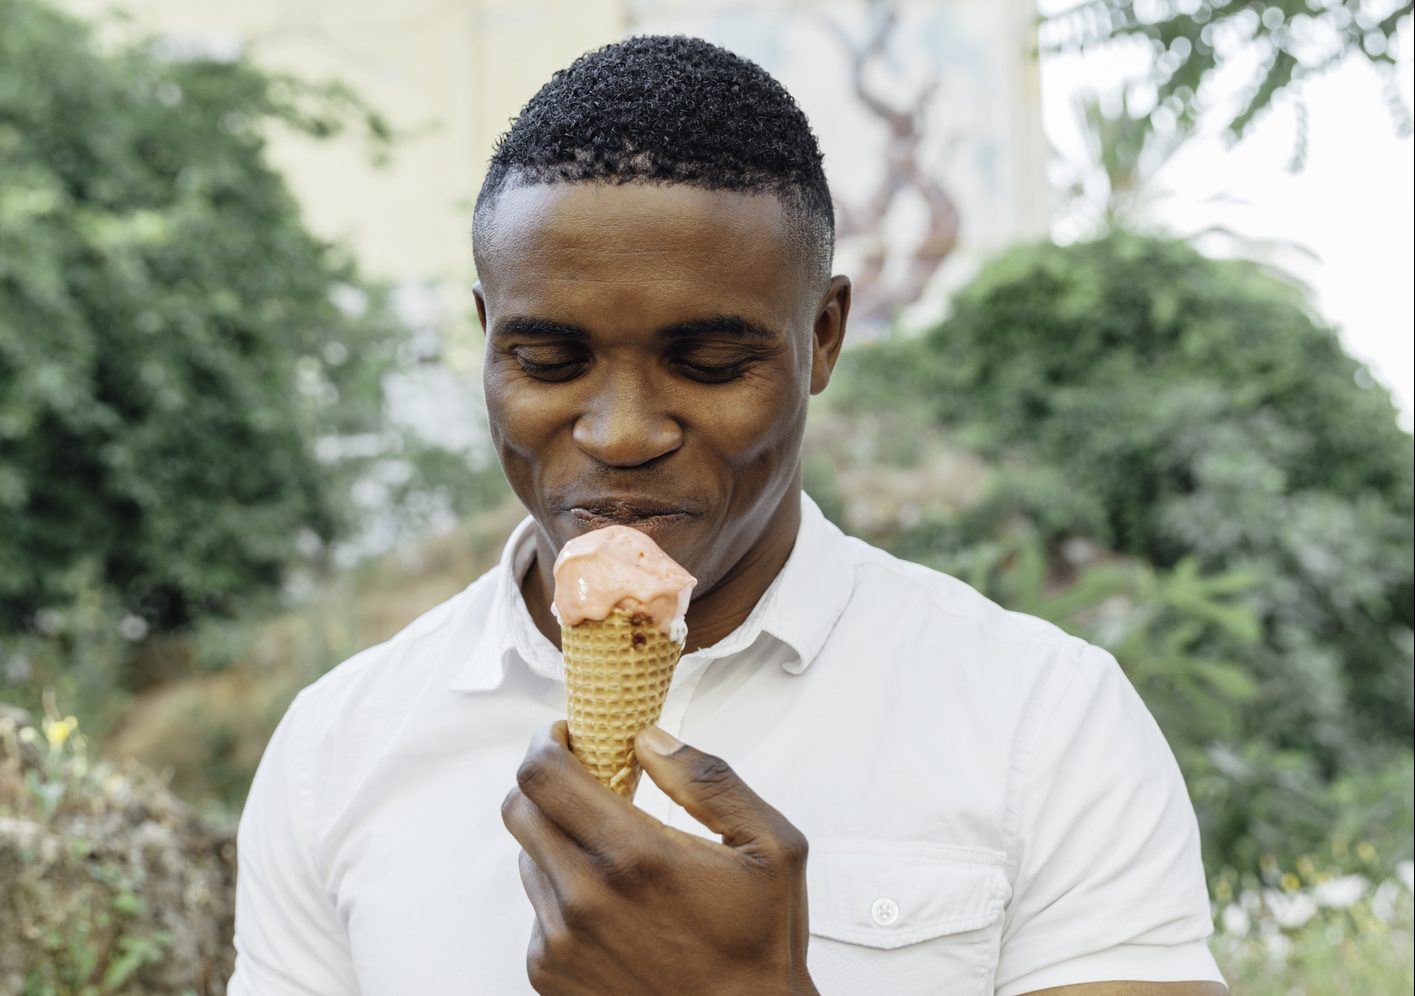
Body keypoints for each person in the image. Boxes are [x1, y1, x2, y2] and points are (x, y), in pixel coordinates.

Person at [230, 35, 1229, 996]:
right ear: (488, 339)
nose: (621, 434)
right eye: (547, 361)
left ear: (822, 338)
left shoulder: (1040, 722)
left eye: (708, 363)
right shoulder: (339, 747)